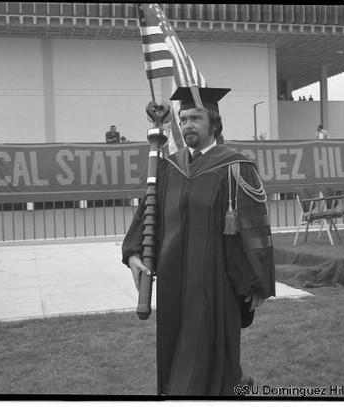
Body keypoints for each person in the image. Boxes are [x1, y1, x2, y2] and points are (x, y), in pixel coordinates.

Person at [122, 86, 276, 396]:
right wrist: (135, 253)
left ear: (214, 124)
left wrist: (257, 281)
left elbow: (253, 226)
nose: (188, 125)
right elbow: (149, 214)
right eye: (183, 119)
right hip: (174, 278)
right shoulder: (169, 167)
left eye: (195, 118)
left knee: (213, 346)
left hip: (215, 279)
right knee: (176, 341)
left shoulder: (235, 166)